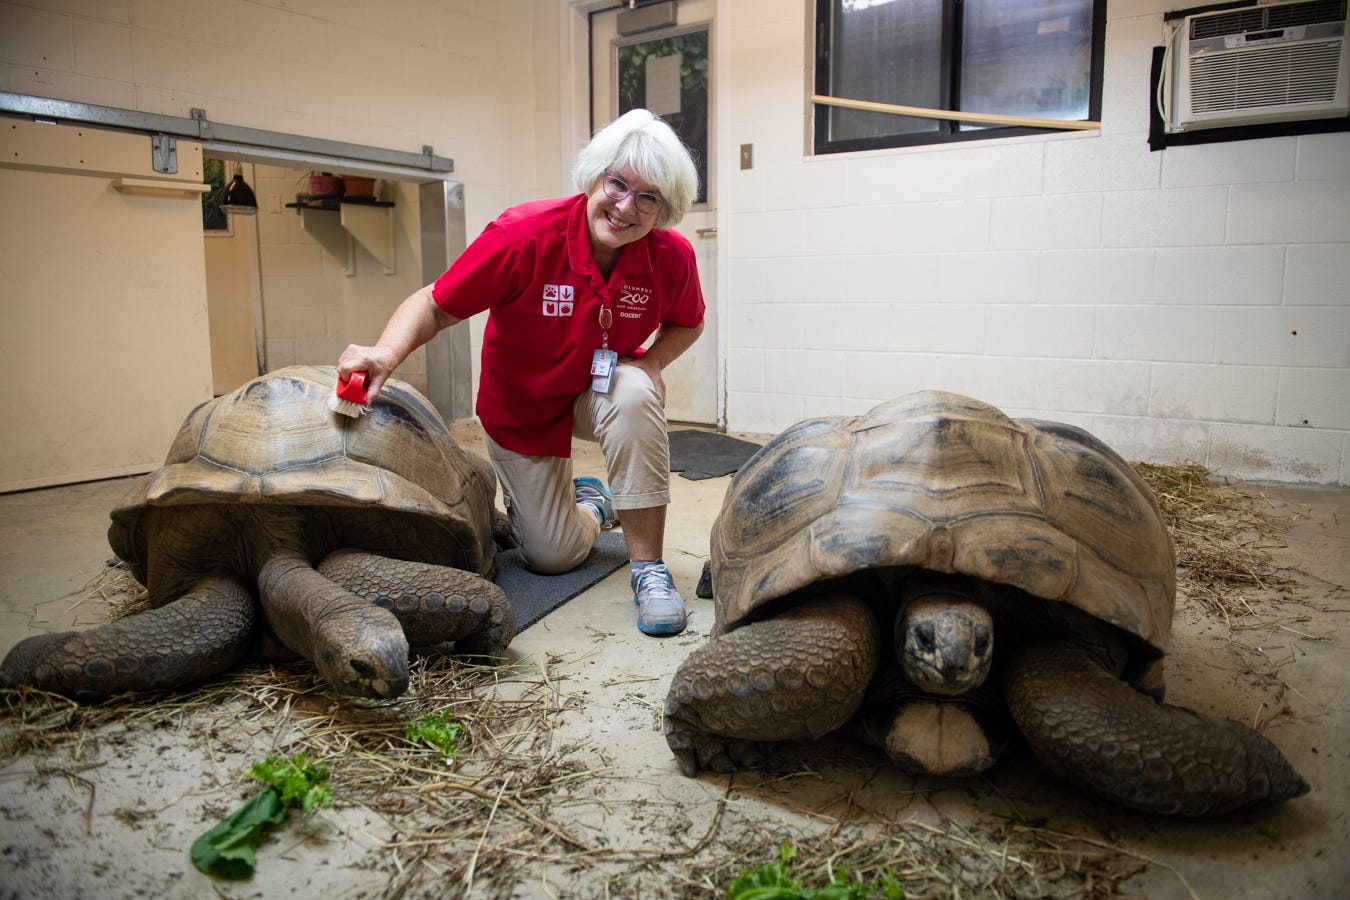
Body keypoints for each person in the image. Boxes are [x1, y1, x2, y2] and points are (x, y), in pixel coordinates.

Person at [337, 109, 704, 636]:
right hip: (522, 407)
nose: (626, 207)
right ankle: (594, 507)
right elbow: (435, 303)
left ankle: (649, 570)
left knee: (635, 389)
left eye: (648, 198)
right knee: (551, 557)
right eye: (618, 184)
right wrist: (384, 355)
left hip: (595, 391)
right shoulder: (524, 234)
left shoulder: (671, 256)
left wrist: (650, 360)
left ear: (664, 209)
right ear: (596, 176)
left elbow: (689, 323)